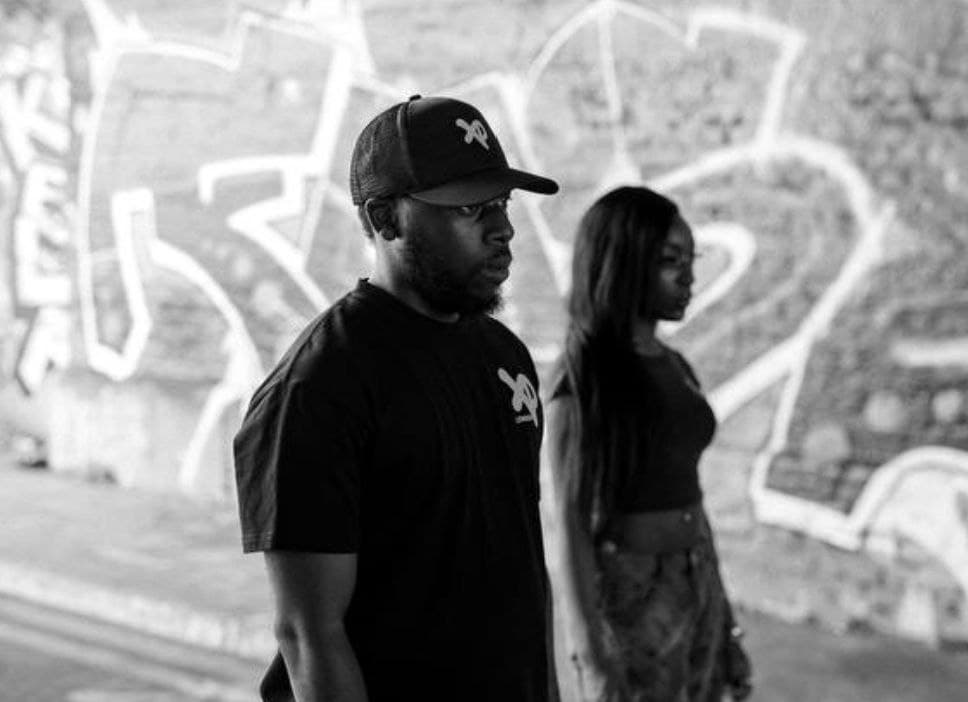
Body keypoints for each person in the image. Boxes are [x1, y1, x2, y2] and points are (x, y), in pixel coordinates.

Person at [233, 95, 560, 702]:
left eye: (502, 203)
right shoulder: (317, 389)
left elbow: (523, 567)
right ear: (385, 218)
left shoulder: (506, 358)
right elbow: (310, 635)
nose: (503, 229)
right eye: (469, 207)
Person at [544, 186, 753, 701]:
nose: (688, 277)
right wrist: (590, 656)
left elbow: (692, 500)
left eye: (690, 260)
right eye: (669, 261)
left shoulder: (676, 366)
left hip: (695, 576)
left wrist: (725, 622)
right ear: (624, 262)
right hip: (631, 596)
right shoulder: (583, 379)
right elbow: (569, 523)